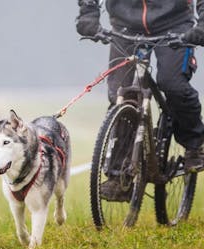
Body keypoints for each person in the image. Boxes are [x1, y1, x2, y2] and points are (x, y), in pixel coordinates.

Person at [76, 0, 204, 200]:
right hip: (125, 25)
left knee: (173, 85)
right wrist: (88, 14)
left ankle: (195, 145)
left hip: (175, 24)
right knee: (121, 95)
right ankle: (119, 176)